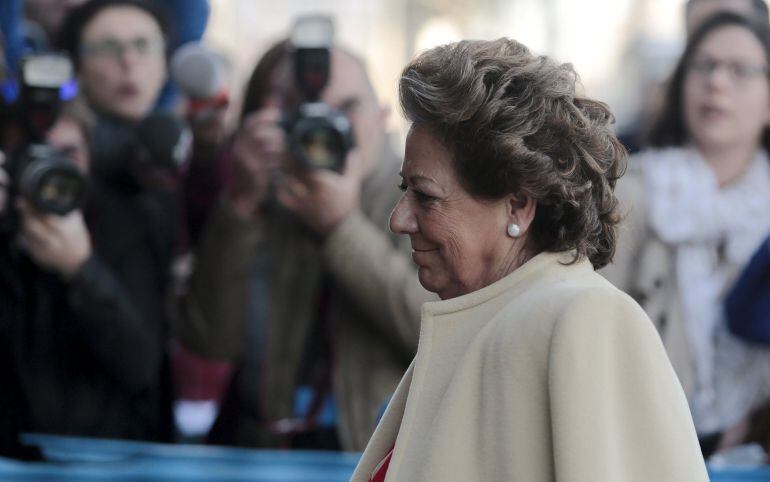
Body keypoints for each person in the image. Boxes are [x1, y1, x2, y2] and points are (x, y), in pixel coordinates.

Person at [351, 38, 708, 482]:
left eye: (426, 196)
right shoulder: (475, 323)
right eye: (405, 191)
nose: (399, 219)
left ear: (518, 207)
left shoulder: (586, 318)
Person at [179, 36, 432, 451]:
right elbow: (208, 339)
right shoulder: (266, 196)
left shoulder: (422, 198)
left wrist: (341, 228)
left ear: (382, 116)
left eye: (346, 109)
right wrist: (241, 204)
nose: (328, 128)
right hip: (268, 452)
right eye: (307, 111)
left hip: (376, 454)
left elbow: (436, 329)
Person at [603, 12, 770, 458]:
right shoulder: (630, 195)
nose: (717, 81)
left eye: (740, 69)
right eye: (704, 65)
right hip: (643, 448)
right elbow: (592, 332)